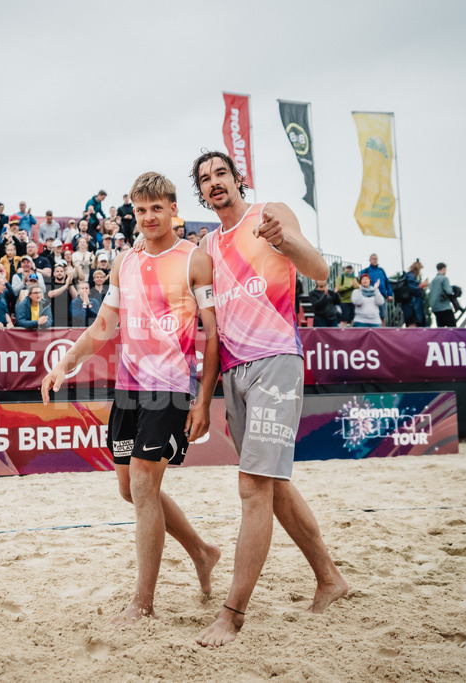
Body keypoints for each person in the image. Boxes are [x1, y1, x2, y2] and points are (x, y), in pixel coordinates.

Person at [43, 171, 221, 625]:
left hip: (171, 388)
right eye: (140, 210)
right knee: (131, 490)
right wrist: (66, 363)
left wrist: (203, 399)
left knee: (143, 485)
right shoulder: (126, 261)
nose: (148, 217)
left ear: (173, 209)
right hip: (129, 387)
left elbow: (212, 333)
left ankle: (142, 603)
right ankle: (202, 551)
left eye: (156, 208)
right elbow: (104, 326)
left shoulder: (193, 259)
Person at [191, 150, 348, 647]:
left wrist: (284, 240)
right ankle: (330, 579)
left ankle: (232, 614)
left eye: (221, 174)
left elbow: (320, 270)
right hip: (235, 373)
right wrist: (204, 395)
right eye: (205, 179)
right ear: (200, 193)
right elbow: (210, 328)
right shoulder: (205, 247)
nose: (215, 183)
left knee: (253, 486)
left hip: (276, 359)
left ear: (239, 179)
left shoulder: (271, 214)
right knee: (273, 484)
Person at [359, 254, 392, 325]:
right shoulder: (365, 271)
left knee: (382, 316)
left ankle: (382, 333)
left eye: (376, 258)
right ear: (369, 260)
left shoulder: (381, 270)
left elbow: (387, 283)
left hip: (381, 296)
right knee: (370, 316)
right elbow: (361, 283)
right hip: (369, 297)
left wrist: (390, 294)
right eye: (373, 258)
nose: (375, 260)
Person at [428, 262, 456, 328]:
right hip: (444, 307)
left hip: (435, 308)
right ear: (443, 268)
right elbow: (449, 291)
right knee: (452, 328)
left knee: (441, 329)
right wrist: (452, 289)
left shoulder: (432, 281)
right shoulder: (444, 279)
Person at [402, 260, 428, 327]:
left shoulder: (408, 276)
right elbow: (413, 290)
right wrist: (422, 285)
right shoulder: (411, 277)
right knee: (413, 330)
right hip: (413, 308)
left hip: (410, 308)